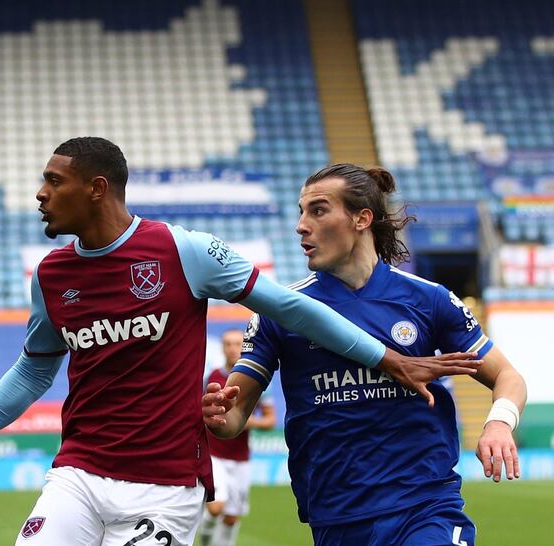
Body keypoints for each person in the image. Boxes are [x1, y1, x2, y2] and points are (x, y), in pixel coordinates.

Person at [0, 138, 481, 545]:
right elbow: (33, 370)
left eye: (53, 181)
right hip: (80, 471)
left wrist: (387, 359)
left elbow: (289, 307)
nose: (40, 194)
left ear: (96, 188)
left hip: (166, 484)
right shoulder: (51, 275)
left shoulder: (182, 250)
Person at [202, 164, 527, 546]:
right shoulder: (282, 311)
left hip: (424, 506)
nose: (301, 225)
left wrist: (499, 423)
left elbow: (508, 377)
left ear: (362, 219)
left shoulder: (428, 299)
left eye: (318, 210)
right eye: (301, 212)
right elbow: (236, 412)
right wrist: (222, 415)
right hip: (335, 515)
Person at [199, 329, 275, 546]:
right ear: (222, 348)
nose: (232, 348)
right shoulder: (211, 378)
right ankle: (205, 542)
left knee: (232, 518)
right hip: (214, 454)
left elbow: (270, 421)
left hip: (241, 457)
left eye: (237, 344)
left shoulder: (256, 382)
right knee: (216, 507)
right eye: (228, 344)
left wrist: (242, 420)